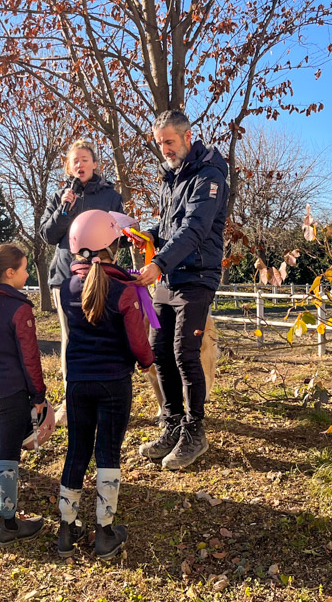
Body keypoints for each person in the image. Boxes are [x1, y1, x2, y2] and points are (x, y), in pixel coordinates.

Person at [133, 110, 228, 471]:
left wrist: (159, 262)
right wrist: (146, 235)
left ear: (189, 137)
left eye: (169, 142)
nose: (165, 150)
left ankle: (195, 432)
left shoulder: (210, 175)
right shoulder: (171, 177)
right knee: (158, 351)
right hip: (169, 277)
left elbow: (194, 228)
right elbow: (170, 225)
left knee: (185, 353)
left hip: (197, 276)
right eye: (160, 144)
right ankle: (172, 425)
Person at [56, 210, 155, 559]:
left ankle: (66, 530)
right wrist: (146, 362)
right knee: (107, 453)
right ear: (111, 246)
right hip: (113, 382)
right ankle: (105, 531)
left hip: (78, 383)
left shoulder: (68, 287)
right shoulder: (123, 290)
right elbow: (137, 340)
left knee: (76, 451)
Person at [0, 243, 53, 547]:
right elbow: (30, 357)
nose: (28, 273)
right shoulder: (19, 308)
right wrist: (38, 393)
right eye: (25, 268)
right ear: (10, 273)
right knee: (8, 457)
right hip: (11, 392)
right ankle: (8, 523)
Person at [39, 140, 124, 427]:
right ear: (68, 166)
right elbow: (48, 236)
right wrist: (65, 208)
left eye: (85, 159)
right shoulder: (60, 195)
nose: (80, 165)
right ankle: (70, 401)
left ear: (95, 164)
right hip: (65, 278)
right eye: (74, 161)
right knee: (71, 339)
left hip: (101, 277)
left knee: (104, 337)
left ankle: (104, 398)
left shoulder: (111, 196)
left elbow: (120, 236)